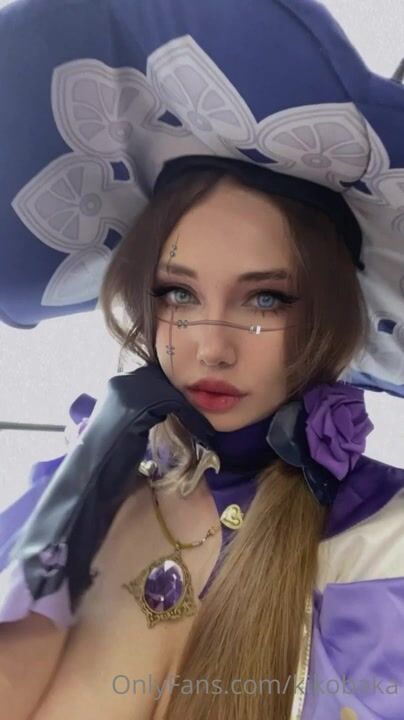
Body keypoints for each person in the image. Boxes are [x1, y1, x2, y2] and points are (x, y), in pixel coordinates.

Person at [0, 1, 404, 720]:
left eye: (266, 299)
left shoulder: (379, 545)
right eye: (178, 293)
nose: (211, 348)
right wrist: (71, 513)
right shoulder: (74, 487)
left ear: (332, 313)